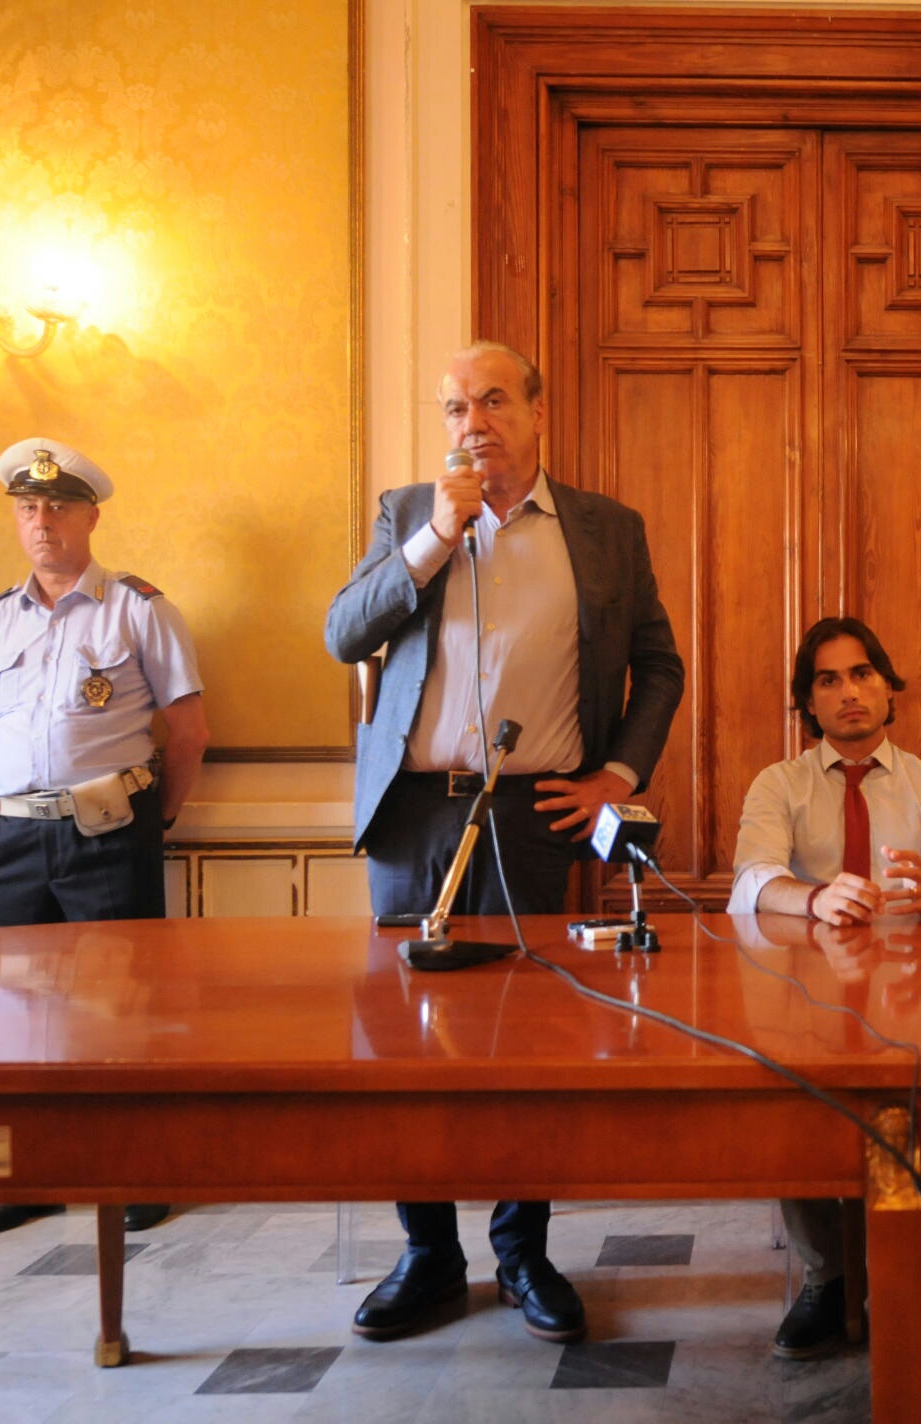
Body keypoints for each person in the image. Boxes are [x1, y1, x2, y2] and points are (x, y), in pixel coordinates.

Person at [324, 341, 684, 1344]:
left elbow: (658, 665)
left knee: (534, 1041)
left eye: (491, 401)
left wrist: (618, 775)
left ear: (536, 412)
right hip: (416, 812)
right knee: (407, 1046)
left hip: (535, 815)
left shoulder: (606, 530)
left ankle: (523, 1250)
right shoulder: (407, 512)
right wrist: (435, 539)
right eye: (454, 407)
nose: (471, 422)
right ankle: (428, 1253)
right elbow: (343, 634)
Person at [728, 615, 921, 1359]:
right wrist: (815, 897)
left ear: (887, 690)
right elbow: (751, 880)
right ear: (808, 703)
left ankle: (919, 1260)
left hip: (919, 1002)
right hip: (806, 1001)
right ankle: (830, 1276)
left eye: (862, 674)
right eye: (828, 680)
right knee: (792, 1108)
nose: (848, 691)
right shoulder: (778, 784)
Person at [0, 439, 209, 1238]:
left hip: (107, 830)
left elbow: (189, 733)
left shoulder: (138, 608)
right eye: (29, 508)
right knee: (11, 1010)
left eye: (60, 506)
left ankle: (136, 1171)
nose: (43, 521)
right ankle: (30, 1176)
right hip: (13, 839)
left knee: (121, 1010)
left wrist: (154, 821)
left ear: (91, 516)